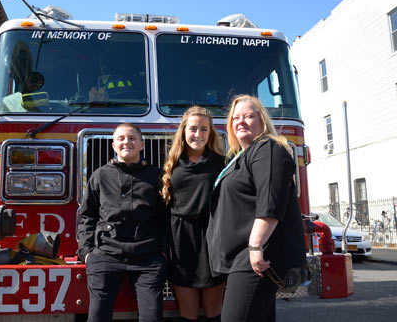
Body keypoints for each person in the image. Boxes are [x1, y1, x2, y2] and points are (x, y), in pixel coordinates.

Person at [206, 95, 306, 322]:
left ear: (262, 120)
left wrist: (255, 246)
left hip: (255, 258)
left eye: (249, 116)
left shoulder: (267, 149)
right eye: (236, 117)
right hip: (242, 257)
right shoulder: (241, 156)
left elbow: (269, 203)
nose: (241, 121)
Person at [77, 123, 168, 322]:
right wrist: (87, 253)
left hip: (148, 257)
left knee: (152, 317)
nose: (127, 142)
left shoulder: (157, 177)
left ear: (142, 145)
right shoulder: (100, 176)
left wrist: (163, 252)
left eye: (132, 138)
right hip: (105, 255)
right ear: (113, 145)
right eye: (121, 138)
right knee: (97, 316)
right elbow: (87, 216)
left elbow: (166, 217)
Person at [161, 106, 226, 322]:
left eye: (204, 129)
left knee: (213, 315)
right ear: (183, 131)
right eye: (193, 128)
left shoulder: (222, 163)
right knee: (187, 315)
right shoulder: (172, 164)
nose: (198, 134)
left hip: (212, 238)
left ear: (211, 133)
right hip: (181, 240)